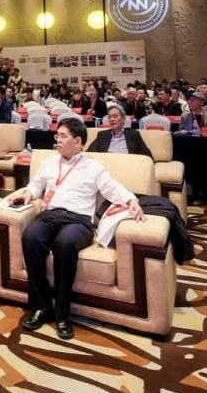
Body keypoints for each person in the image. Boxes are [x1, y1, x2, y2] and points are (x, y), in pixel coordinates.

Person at [8, 118, 143, 340]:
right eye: (57, 136)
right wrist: (27, 194)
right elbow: (36, 185)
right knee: (31, 237)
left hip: (78, 221)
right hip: (50, 215)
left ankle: (62, 314)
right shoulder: (49, 162)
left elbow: (112, 188)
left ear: (78, 142)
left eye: (63, 136)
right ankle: (41, 306)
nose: (57, 140)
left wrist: (130, 200)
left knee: (65, 244)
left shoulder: (93, 166)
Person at [87, 106, 153, 157]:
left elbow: (148, 156)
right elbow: (89, 153)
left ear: (123, 119)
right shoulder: (102, 135)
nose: (111, 119)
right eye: (109, 117)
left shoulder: (133, 134)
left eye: (115, 116)